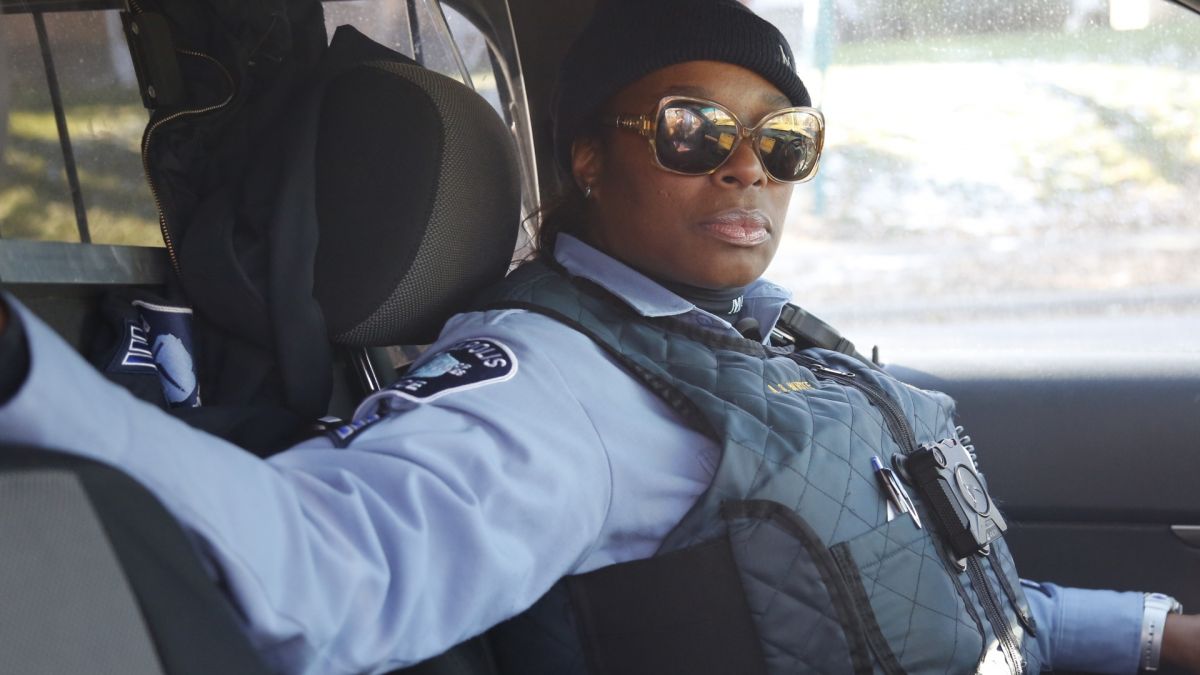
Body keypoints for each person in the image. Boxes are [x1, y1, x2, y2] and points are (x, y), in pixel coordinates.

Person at [0, 1, 1198, 674]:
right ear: (587, 157)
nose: (747, 166)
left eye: (782, 140)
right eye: (691, 130)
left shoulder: (768, 338)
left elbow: (961, 603)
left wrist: (1161, 638)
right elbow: (325, 570)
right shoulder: (561, 384)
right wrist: (23, 366)